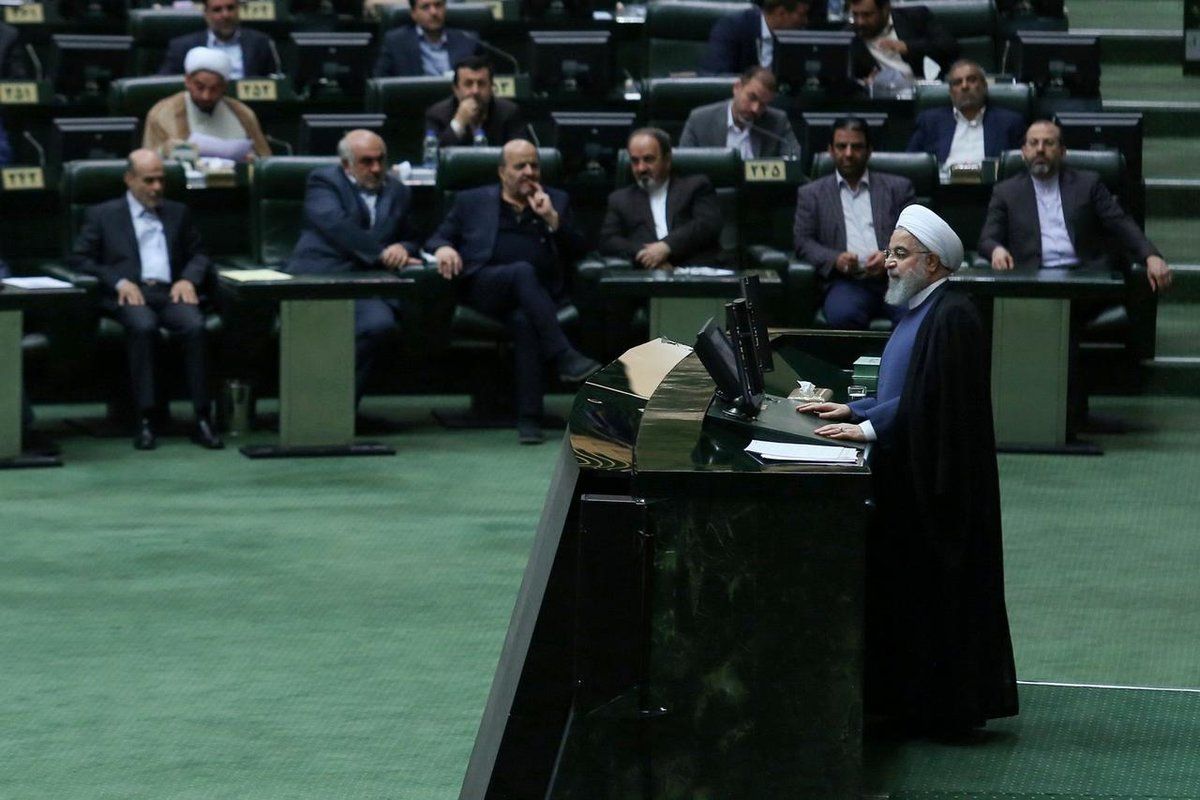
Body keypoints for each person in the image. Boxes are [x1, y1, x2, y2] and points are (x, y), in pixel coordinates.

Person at [798, 204, 1019, 734]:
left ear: (934, 264)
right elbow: (904, 393)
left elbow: (935, 402)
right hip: (910, 471)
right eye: (890, 252)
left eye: (900, 254)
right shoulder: (920, 311)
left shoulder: (953, 316)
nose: (888, 264)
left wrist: (868, 430)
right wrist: (857, 411)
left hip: (938, 489)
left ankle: (938, 709)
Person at [426, 139, 599, 444]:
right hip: (484, 288)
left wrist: (552, 220)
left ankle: (529, 419)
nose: (529, 172)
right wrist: (442, 248)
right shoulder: (472, 201)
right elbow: (436, 238)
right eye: (520, 166)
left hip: (538, 297)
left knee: (524, 320)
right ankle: (563, 355)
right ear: (502, 172)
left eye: (534, 165)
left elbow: (582, 250)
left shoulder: (556, 200)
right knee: (522, 271)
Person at [69, 150, 222, 451]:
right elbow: (79, 259)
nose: (156, 188)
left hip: (169, 291)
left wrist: (188, 279)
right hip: (130, 293)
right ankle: (146, 419)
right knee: (143, 327)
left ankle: (203, 417)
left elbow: (200, 254)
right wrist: (118, 282)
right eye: (148, 181)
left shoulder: (178, 212)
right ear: (129, 179)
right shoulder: (103, 214)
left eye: (161, 180)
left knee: (195, 326)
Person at [286, 130, 422, 403]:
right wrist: (382, 253)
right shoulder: (323, 181)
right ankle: (317, 407)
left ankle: (339, 408)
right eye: (366, 161)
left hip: (369, 285)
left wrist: (402, 248)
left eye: (380, 160)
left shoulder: (399, 191)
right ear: (346, 164)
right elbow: (336, 225)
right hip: (322, 278)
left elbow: (414, 236)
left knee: (380, 324)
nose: (376, 168)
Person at [979, 119, 1172, 290]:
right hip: (1032, 277)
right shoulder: (1006, 191)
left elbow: (1121, 223)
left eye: (1048, 143)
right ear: (1023, 153)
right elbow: (987, 238)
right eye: (1033, 143)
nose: (1040, 149)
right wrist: (996, 249)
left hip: (1083, 276)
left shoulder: (1087, 184)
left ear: (1062, 152)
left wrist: (1150, 256)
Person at [793, 116, 914, 329]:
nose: (848, 153)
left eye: (856, 147)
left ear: (869, 150)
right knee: (843, 315)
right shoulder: (811, 194)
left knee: (915, 314)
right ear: (830, 150)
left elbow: (914, 235)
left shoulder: (898, 188)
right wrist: (835, 259)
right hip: (845, 282)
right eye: (842, 146)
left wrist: (888, 255)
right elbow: (803, 242)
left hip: (895, 277)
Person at [600, 128, 722, 268]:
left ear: (667, 160)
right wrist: (648, 255)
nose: (641, 168)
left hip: (695, 271)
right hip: (646, 276)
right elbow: (608, 241)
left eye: (648, 159)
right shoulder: (620, 199)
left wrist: (666, 246)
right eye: (635, 161)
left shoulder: (695, 186)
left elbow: (707, 224)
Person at [144, 47, 272, 161]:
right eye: (200, 87)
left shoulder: (244, 114)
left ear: (224, 87)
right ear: (187, 81)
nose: (206, 96)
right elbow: (148, 165)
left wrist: (253, 160)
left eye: (214, 89)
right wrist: (165, 151)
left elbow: (265, 162)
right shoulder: (162, 113)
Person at [907, 59, 1026, 168]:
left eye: (972, 80)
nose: (964, 86)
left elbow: (1021, 165)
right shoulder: (930, 121)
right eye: (957, 82)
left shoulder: (1010, 122)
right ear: (950, 92)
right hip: (943, 189)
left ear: (984, 86)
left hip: (991, 188)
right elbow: (912, 164)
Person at [679, 66, 800, 159]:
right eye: (752, 98)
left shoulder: (778, 122)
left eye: (763, 104)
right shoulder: (700, 120)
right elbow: (685, 167)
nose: (755, 109)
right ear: (737, 88)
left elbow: (794, 160)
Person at [847, 0, 959, 84]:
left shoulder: (915, 17)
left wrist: (908, 47)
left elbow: (950, 47)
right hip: (885, 99)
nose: (860, 22)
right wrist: (863, 84)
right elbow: (846, 81)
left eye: (867, 15)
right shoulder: (848, 37)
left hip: (924, 89)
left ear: (886, 9)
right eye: (855, 15)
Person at [424, 56, 525, 148]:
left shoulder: (509, 112)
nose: (475, 91)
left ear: (491, 88)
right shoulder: (437, 114)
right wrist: (459, 122)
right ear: (456, 89)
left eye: (481, 84)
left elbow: (520, 155)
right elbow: (435, 157)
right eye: (468, 84)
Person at [159, 0, 277, 79]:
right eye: (217, 10)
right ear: (206, 14)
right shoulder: (181, 47)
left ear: (238, 10)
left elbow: (274, 84)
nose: (225, 15)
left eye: (230, 8)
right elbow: (167, 87)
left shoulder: (260, 42)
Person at [700, 0, 812, 75]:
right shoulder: (732, 27)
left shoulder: (797, 38)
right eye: (802, 15)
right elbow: (716, 74)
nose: (805, 21)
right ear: (781, 13)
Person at [373, 0, 482, 77]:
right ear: (413, 14)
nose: (433, 12)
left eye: (438, 5)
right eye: (426, 7)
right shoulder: (395, 42)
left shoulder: (468, 41)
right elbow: (380, 83)